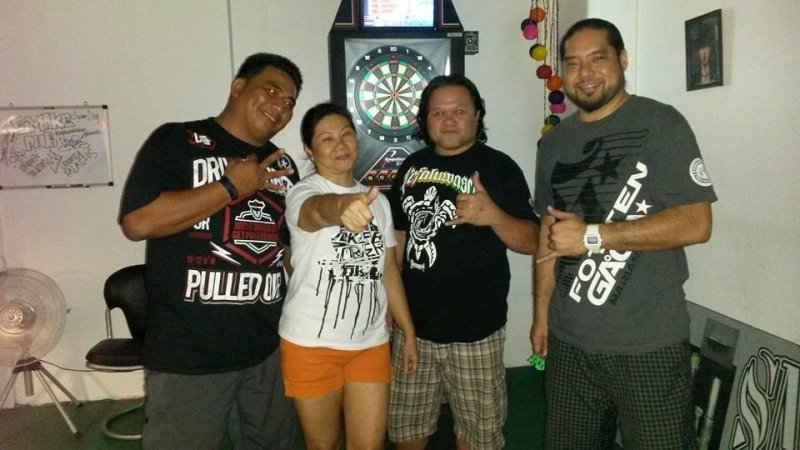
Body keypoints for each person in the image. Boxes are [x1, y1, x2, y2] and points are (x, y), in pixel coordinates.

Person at [529, 18, 717, 449]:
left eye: (597, 58)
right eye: (572, 63)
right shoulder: (555, 142)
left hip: (647, 342)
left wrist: (593, 236)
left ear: (623, 59)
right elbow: (548, 229)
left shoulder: (661, 123)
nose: (585, 73)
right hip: (569, 340)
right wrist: (541, 311)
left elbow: (696, 222)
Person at [119, 52, 304, 449]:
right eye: (272, 90)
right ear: (238, 87)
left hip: (266, 350)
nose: (281, 105)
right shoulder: (177, 141)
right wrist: (230, 187)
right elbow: (137, 223)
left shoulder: (283, 165)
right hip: (190, 355)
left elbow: (289, 252)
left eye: (290, 101)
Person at [387, 74, 539, 450]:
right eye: (438, 113)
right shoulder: (410, 167)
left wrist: (494, 216)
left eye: (459, 111)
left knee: (478, 438)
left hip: (477, 333)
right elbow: (399, 239)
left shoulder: (499, 168)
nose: (449, 120)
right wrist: (390, 305)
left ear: (477, 116)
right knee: (407, 431)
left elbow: (534, 241)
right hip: (414, 330)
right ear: (425, 120)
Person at [279, 102, 418, 450]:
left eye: (346, 134)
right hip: (311, 344)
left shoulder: (378, 202)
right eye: (326, 139)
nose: (339, 144)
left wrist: (409, 331)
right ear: (309, 149)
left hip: (370, 344)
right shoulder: (302, 192)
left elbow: (388, 270)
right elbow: (316, 213)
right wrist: (343, 206)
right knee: (324, 444)